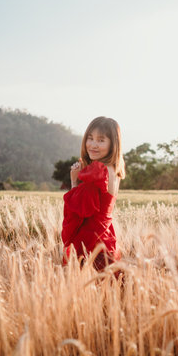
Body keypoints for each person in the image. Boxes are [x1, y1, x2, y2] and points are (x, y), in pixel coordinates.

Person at [61, 116, 125, 271]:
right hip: (106, 237)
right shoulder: (113, 169)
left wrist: (74, 182)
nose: (93, 145)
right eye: (90, 138)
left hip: (89, 242)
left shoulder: (98, 171)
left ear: (112, 144)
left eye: (101, 140)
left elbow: (77, 211)